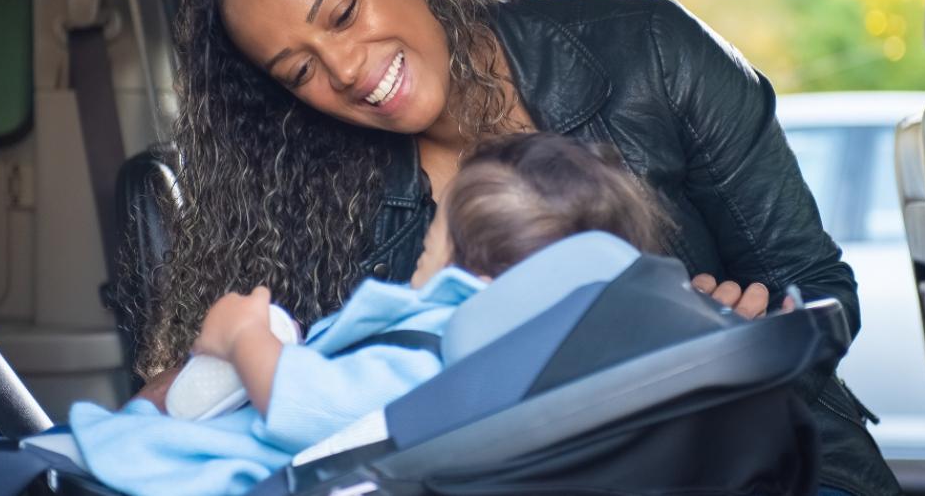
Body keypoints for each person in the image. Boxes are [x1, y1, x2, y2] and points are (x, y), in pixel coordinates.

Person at [128, 0, 899, 496]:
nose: (347, 70)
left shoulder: (655, 56)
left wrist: (743, 323)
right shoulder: (318, 191)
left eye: (344, 12)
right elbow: (298, 385)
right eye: (299, 71)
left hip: (756, 460)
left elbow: (819, 284)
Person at [67, 132, 668, 496]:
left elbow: (311, 405)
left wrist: (243, 335)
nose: (419, 259)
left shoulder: (444, 355)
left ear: (476, 280)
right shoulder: (522, 370)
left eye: (433, 245)